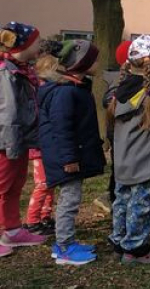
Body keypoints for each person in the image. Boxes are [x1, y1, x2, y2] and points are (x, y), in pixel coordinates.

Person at [107, 36, 150, 265]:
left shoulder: (118, 91)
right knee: (142, 205)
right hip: (146, 159)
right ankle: (136, 249)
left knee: (122, 201)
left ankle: (119, 242)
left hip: (123, 160)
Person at [38, 39, 106, 266]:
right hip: (66, 158)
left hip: (71, 155)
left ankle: (64, 242)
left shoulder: (75, 88)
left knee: (70, 198)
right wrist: (69, 158)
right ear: (81, 63)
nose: (99, 62)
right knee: (69, 200)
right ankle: (65, 246)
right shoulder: (65, 93)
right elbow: (62, 128)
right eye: (94, 59)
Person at [0, 22, 47, 256]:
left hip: (18, 140)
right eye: (36, 41)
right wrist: (11, 145)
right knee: (3, 186)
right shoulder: (6, 72)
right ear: (24, 44)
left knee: (15, 185)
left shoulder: (22, 70)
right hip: (6, 142)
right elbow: (8, 112)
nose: (40, 45)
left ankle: (12, 229)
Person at [24, 43, 63, 236]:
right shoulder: (38, 93)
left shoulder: (48, 91)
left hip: (48, 146)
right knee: (42, 184)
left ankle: (45, 216)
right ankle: (32, 220)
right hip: (40, 147)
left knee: (50, 182)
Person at [94, 39, 133, 216]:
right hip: (121, 133)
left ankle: (116, 197)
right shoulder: (122, 80)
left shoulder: (120, 78)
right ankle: (114, 198)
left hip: (119, 133)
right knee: (120, 169)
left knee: (120, 168)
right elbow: (110, 103)